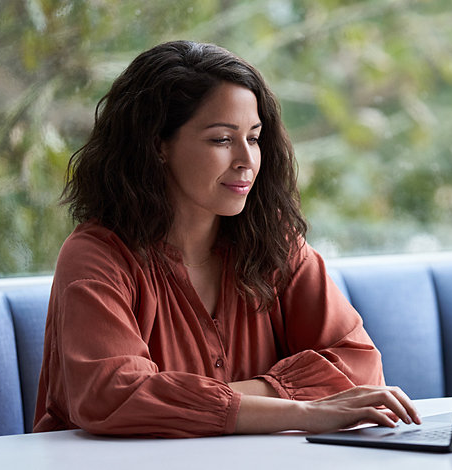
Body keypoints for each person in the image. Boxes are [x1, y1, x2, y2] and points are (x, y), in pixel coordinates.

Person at [33, 40, 420, 438]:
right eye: (221, 139)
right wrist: (304, 410)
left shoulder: (274, 245)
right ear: (157, 146)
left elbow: (358, 365)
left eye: (253, 137)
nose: (247, 159)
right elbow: (113, 396)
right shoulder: (96, 257)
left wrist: (196, 401)